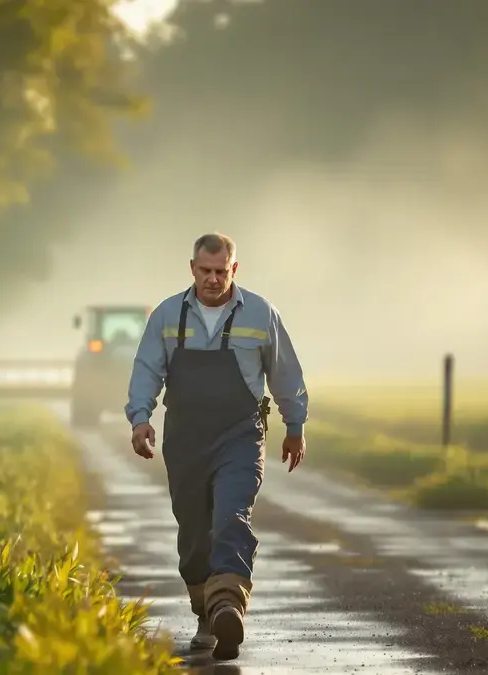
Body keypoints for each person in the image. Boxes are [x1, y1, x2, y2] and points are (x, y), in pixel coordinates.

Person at [123, 232, 308, 661]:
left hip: (240, 434)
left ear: (234, 269)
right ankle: (205, 612)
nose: (212, 279)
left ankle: (228, 607)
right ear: (192, 268)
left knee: (230, 516)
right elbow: (147, 369)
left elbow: (285, 372)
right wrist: (140, 418)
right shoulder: (167, 315)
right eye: (205, 271)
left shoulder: (260, 313)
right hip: (186, 437)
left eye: (220, 271)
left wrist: (294, 424)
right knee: (193, 530)